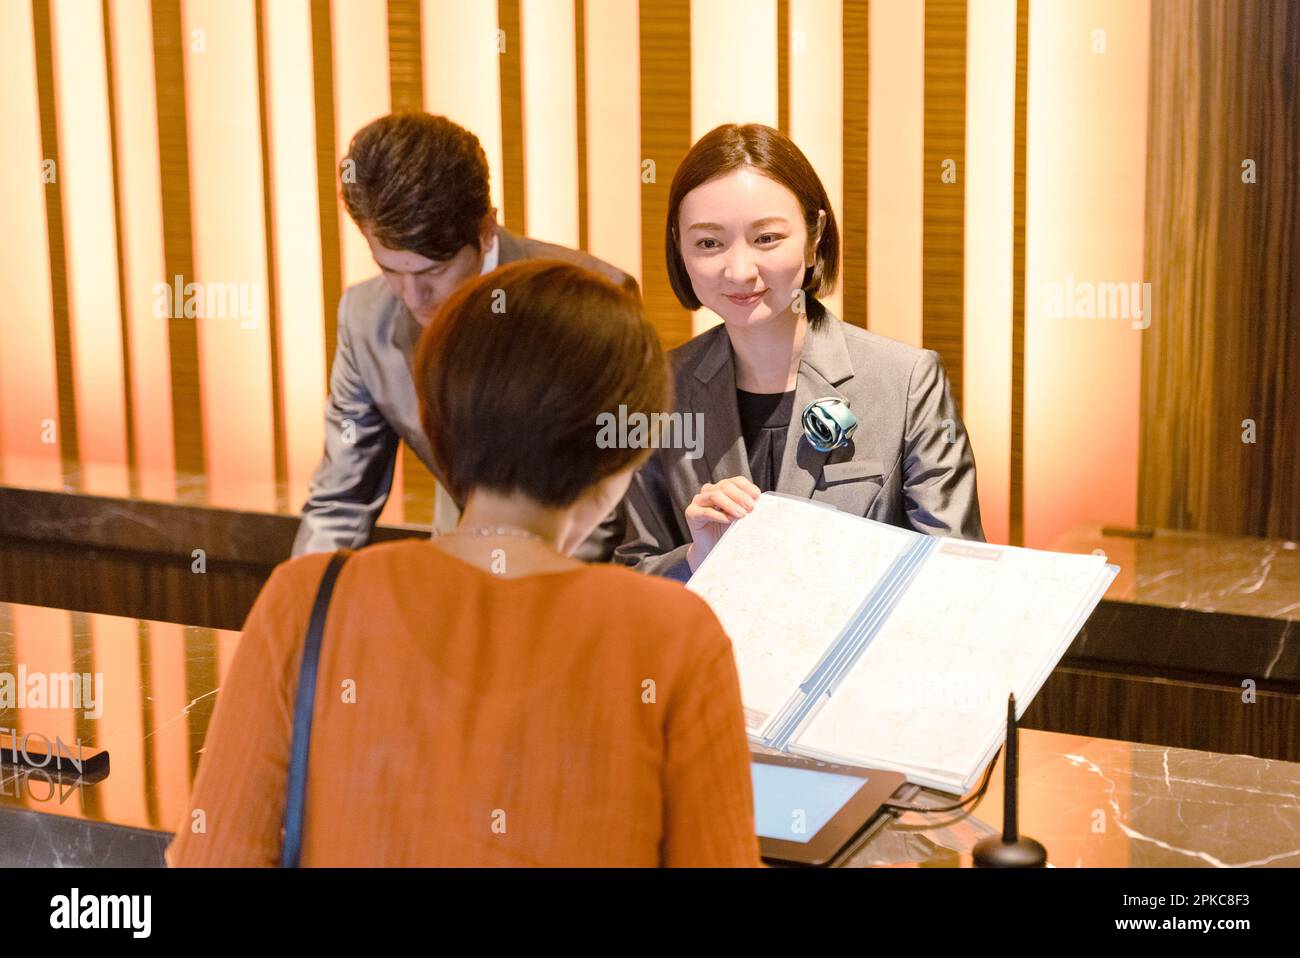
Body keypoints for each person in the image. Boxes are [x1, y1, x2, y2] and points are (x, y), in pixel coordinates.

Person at [166, 261, 761, 867]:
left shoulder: (306, 598)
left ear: (436, 422)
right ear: (625, 451)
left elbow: (213, 859)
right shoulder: (675, 635)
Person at [615, 123, 985, 580]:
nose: (739, 270)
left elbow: (957, 572)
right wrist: (695, 559)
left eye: (766, 238)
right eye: (709, 243)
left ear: (814, 236)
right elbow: (632, 576)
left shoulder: (906, 381)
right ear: (679, 247)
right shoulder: (654, 391)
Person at [293, 111, 637, 561]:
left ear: (486, 227)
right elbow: (340, 501)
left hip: (577, 578)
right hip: (455, 570)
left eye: (434, 271)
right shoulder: (364, 316)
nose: (412, 295)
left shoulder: (591, 301)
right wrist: (302, 611)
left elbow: (600, 501)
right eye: (389, 270)